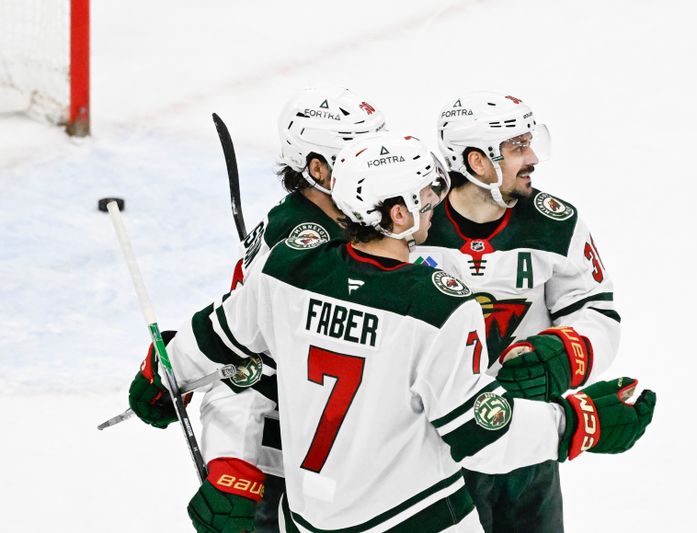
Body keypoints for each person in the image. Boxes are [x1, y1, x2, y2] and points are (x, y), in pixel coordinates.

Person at [130, 132, 655, 532]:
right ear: (397, 212)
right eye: (424, 198)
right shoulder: (439, 305)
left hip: (309, 517)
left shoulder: (288, 270)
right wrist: (580, 423)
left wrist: (162, 376)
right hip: (407, 516)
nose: (434, 204)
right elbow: (480, 436)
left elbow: (210, 338)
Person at [127, 87, 386, 533]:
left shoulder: (352, 218)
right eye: (360, 153)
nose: (382, 164)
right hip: (283, 446)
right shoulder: (306, 242)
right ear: (318, 170)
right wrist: (232, 455)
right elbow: (245, 351)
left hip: (332, 437)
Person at [410, 91, 622, 532]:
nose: (533, 159)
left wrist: (563, 354)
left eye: (530, 142)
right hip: (437, 445)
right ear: (476, 162)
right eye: (517, 148)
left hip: (528, 434)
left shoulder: (555, 223)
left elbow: (597, 314)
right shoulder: (414, 226)